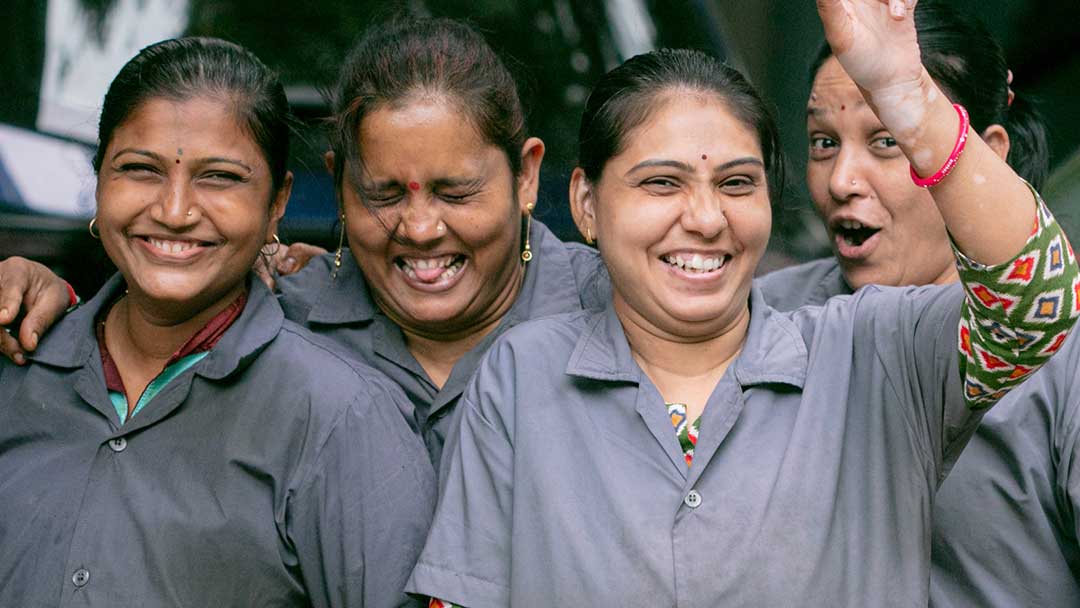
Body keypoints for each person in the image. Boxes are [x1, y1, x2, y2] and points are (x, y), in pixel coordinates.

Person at [407, 0, 1079, 605]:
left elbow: (1040, 306)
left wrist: (908, 99)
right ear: (585, 202)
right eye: (662, 182)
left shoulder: (874, 345)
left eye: (736, 182)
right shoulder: (523, 372)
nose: (704, 217)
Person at [0, 18, 608, 468]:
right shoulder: (280, 311)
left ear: (527, 176)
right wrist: (49, 300)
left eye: (455, 193)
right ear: (340, 184)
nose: (420, 229)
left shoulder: (621, 311)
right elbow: (147, 334)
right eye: (385, 194)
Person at [0, 37, 435, 607]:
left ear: (277, 200)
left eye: (221, 177)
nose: (175, 211)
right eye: (138, 169)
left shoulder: (338, 417)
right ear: (99, 180)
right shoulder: (17, 366)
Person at [756, 2, 1080, 605]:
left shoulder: (1060, 346)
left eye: (887, 140)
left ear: (989, 153)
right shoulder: (768, 318)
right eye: (823, 142)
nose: (841, 179)